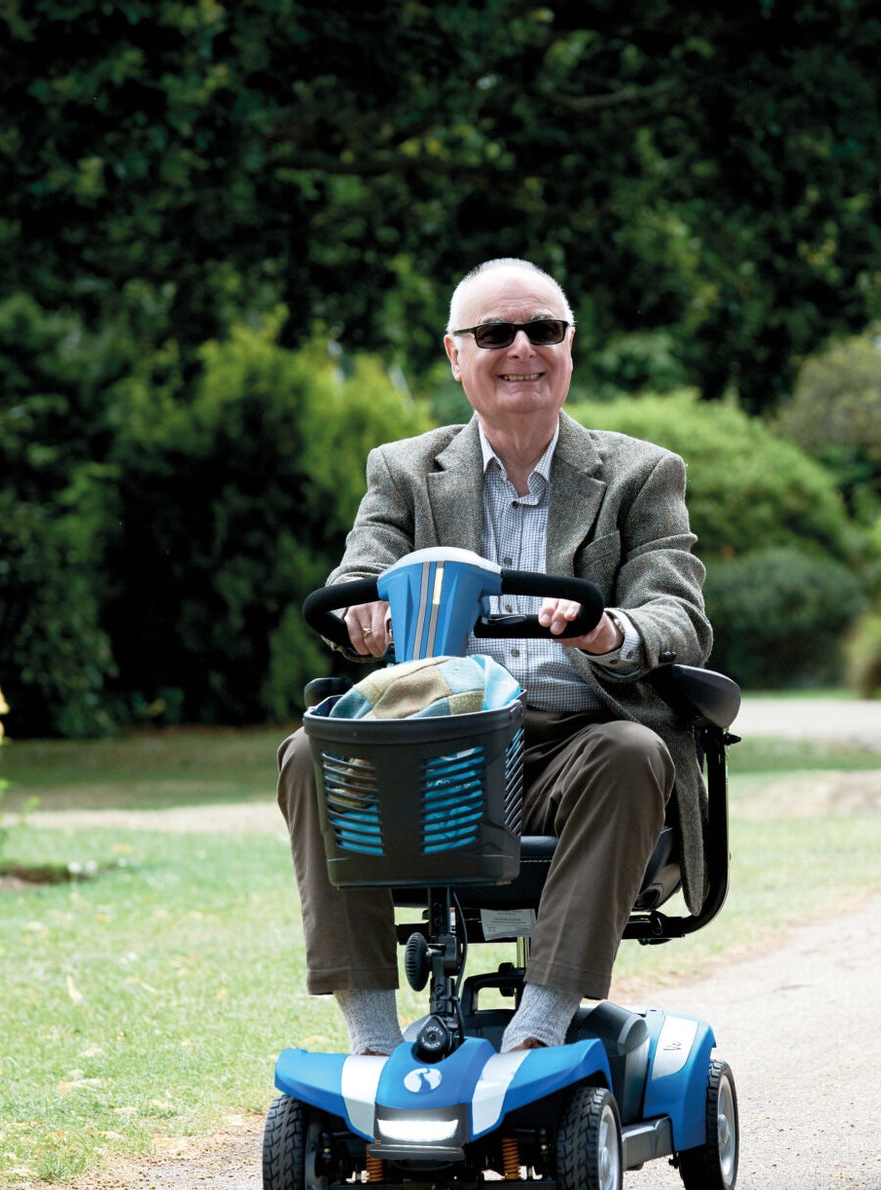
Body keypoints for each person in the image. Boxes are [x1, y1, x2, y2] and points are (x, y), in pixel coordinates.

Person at [276, 257, 711, 1055]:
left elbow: (676, 612)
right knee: (312, 751)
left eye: (543, 329)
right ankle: (371, 1037)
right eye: (495, 333)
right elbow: (357, 574)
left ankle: (540, 1024)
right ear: (456, 354)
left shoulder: (642, 473)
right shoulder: (404, 470)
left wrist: (606, 631)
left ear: (569, 346)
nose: (521, 348)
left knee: (633, 751)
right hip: (435, 750)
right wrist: (359, 613)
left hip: (577, 744)